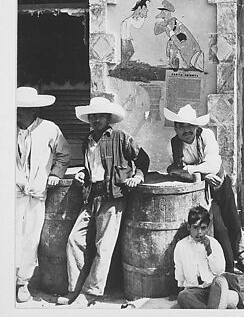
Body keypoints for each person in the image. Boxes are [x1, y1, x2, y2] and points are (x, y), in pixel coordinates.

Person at [57, 97, 149, 307]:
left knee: (103, 246)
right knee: (74, 239)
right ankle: (75, 289)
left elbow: (142, 159)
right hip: (91, 196)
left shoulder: (121, 137)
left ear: (108, 118)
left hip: (113, 197)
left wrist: (138, 176)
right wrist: (82, 173)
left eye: (100, 116)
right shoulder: (87, 140)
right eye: (92, 116)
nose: (96, 119)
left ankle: (90, 293)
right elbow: (91, 167)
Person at [164, 104, 244, 274]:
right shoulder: (172, 146)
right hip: (201, 188)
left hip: (219, 182)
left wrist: (189, 170)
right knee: (218, 226)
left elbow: (212, 164)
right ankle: (228, 266)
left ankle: (241, 255)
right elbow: (177, 172)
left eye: (190, 125)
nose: (186, 130)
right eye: (181, 126)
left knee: (233, 219)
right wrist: (201, 175)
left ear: (197, 126)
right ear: (175, 128)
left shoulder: (206, 136)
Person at [16, 87, 71, 303]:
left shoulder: (50, 129)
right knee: (9, 236)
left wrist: (56, 173)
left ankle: (23, 283)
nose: (18, 112)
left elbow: (64, 154)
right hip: (11, 194)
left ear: (34, 109)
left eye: (23, 109)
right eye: (17, 108)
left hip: (36, 195)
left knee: (30, 239)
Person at [174, 205, 244, 309]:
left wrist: (209, 250)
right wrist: (181, 290)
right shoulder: (181, 246)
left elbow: (219, 271)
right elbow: (179, 272)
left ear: (208, 228)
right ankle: (213, 309)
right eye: (195, 227)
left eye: (203, 228)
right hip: (196, 291)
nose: (199, 232)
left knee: (228, 286)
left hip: (214, 287)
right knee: (183, 297)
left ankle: (216, 305)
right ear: (189, 227)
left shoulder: (214, 243)